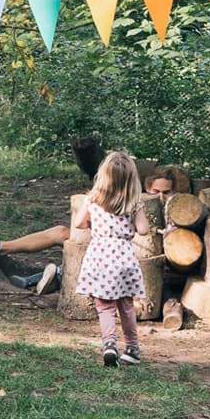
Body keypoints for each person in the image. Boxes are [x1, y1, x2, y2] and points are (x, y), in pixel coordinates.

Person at [72, 151, 147, 366]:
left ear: (103, 176)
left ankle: (110, 345)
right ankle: (132, 348)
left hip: (100, 258)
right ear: (131, 179)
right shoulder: (134, 203)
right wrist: (133, 223)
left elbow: (78, 223)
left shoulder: (93, 200)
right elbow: (143, 230)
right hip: (124, 258)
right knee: (126, 305)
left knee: (104, 306)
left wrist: (92, 224)